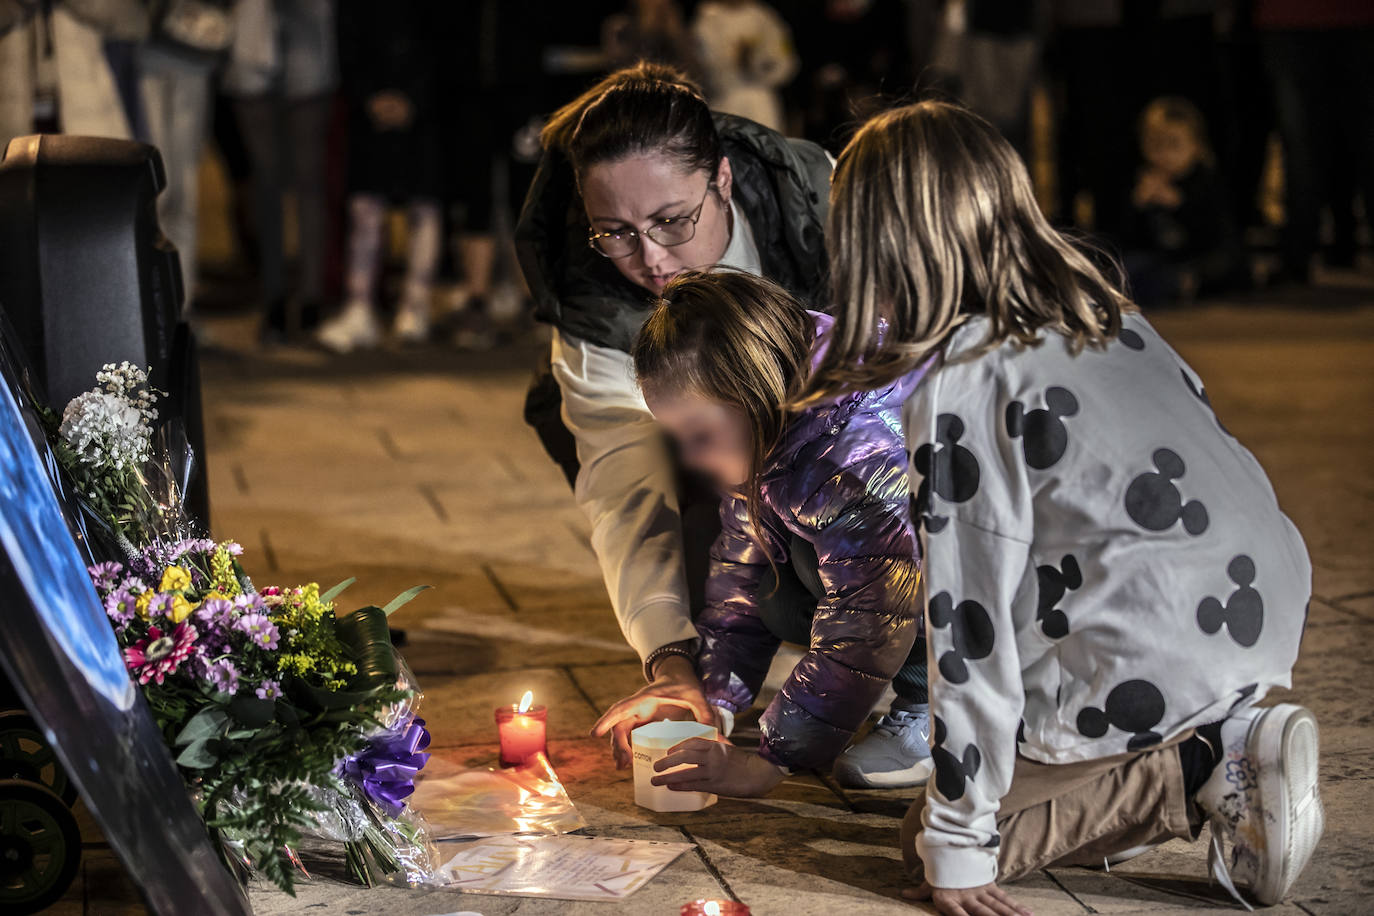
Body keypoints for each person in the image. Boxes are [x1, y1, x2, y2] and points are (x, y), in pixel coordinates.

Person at [803, 100, 1320, 914]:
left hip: (1159, 653)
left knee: (930, 842)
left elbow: (967, 633)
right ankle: (1199, 734)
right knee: (986, 781)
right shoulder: (1099, 311)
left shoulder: (961, 382)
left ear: (875, 244)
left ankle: (1194, 767)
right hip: (1248, 610)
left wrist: (961, 845)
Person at [517, 64, 931, 785]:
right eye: (615, 232)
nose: (649, 260)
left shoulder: (827, 208)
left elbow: (875, 589)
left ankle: (941, 701)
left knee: (868, 560)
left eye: (672, 221)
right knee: (759, 564)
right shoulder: (593, 302)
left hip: (919, 474)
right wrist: (686, 674)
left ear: (724, 182)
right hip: (786, 440)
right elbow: (629, 500)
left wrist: (773, 762)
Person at [630, 270, 930, 794]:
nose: (690, 457)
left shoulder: (856, 453)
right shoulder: (771, 426)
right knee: (771, 579)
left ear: (755, 393)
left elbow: (871, 611)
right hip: (902, 583)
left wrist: (771, 763)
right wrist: (714, 701)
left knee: (841, 575)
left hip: (1019, 610)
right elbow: (739, 577)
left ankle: (940, 707)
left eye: (700, 434)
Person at [316, 0, 444, 353]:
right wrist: (369, 97)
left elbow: (446, 39)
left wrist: (415, 99)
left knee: (424, 204)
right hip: (367, 112)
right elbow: (346, 42)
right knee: (365, 207)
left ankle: (415, 306)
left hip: (426, 111)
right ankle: (359, 308)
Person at [1122, 97, 1246, 305]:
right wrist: (1137, 206)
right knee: (1128, 268)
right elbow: (1130, 239)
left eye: (1174, 144)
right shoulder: (1143, 179)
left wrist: (1180, 205)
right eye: (1155, 144)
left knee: (1225, 264)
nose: (1164, 154)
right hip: (1163, 261)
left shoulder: (1205, 181)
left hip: (1202, 260)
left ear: (1196, 146)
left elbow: (1217, 235)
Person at [691, 0, 798, 133]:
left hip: (762, 101)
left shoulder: (763, 17)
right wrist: (734, 62)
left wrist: (757, 61)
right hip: (726, 99)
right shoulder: (709, 18)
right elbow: (704, 62)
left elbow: (784, 59)